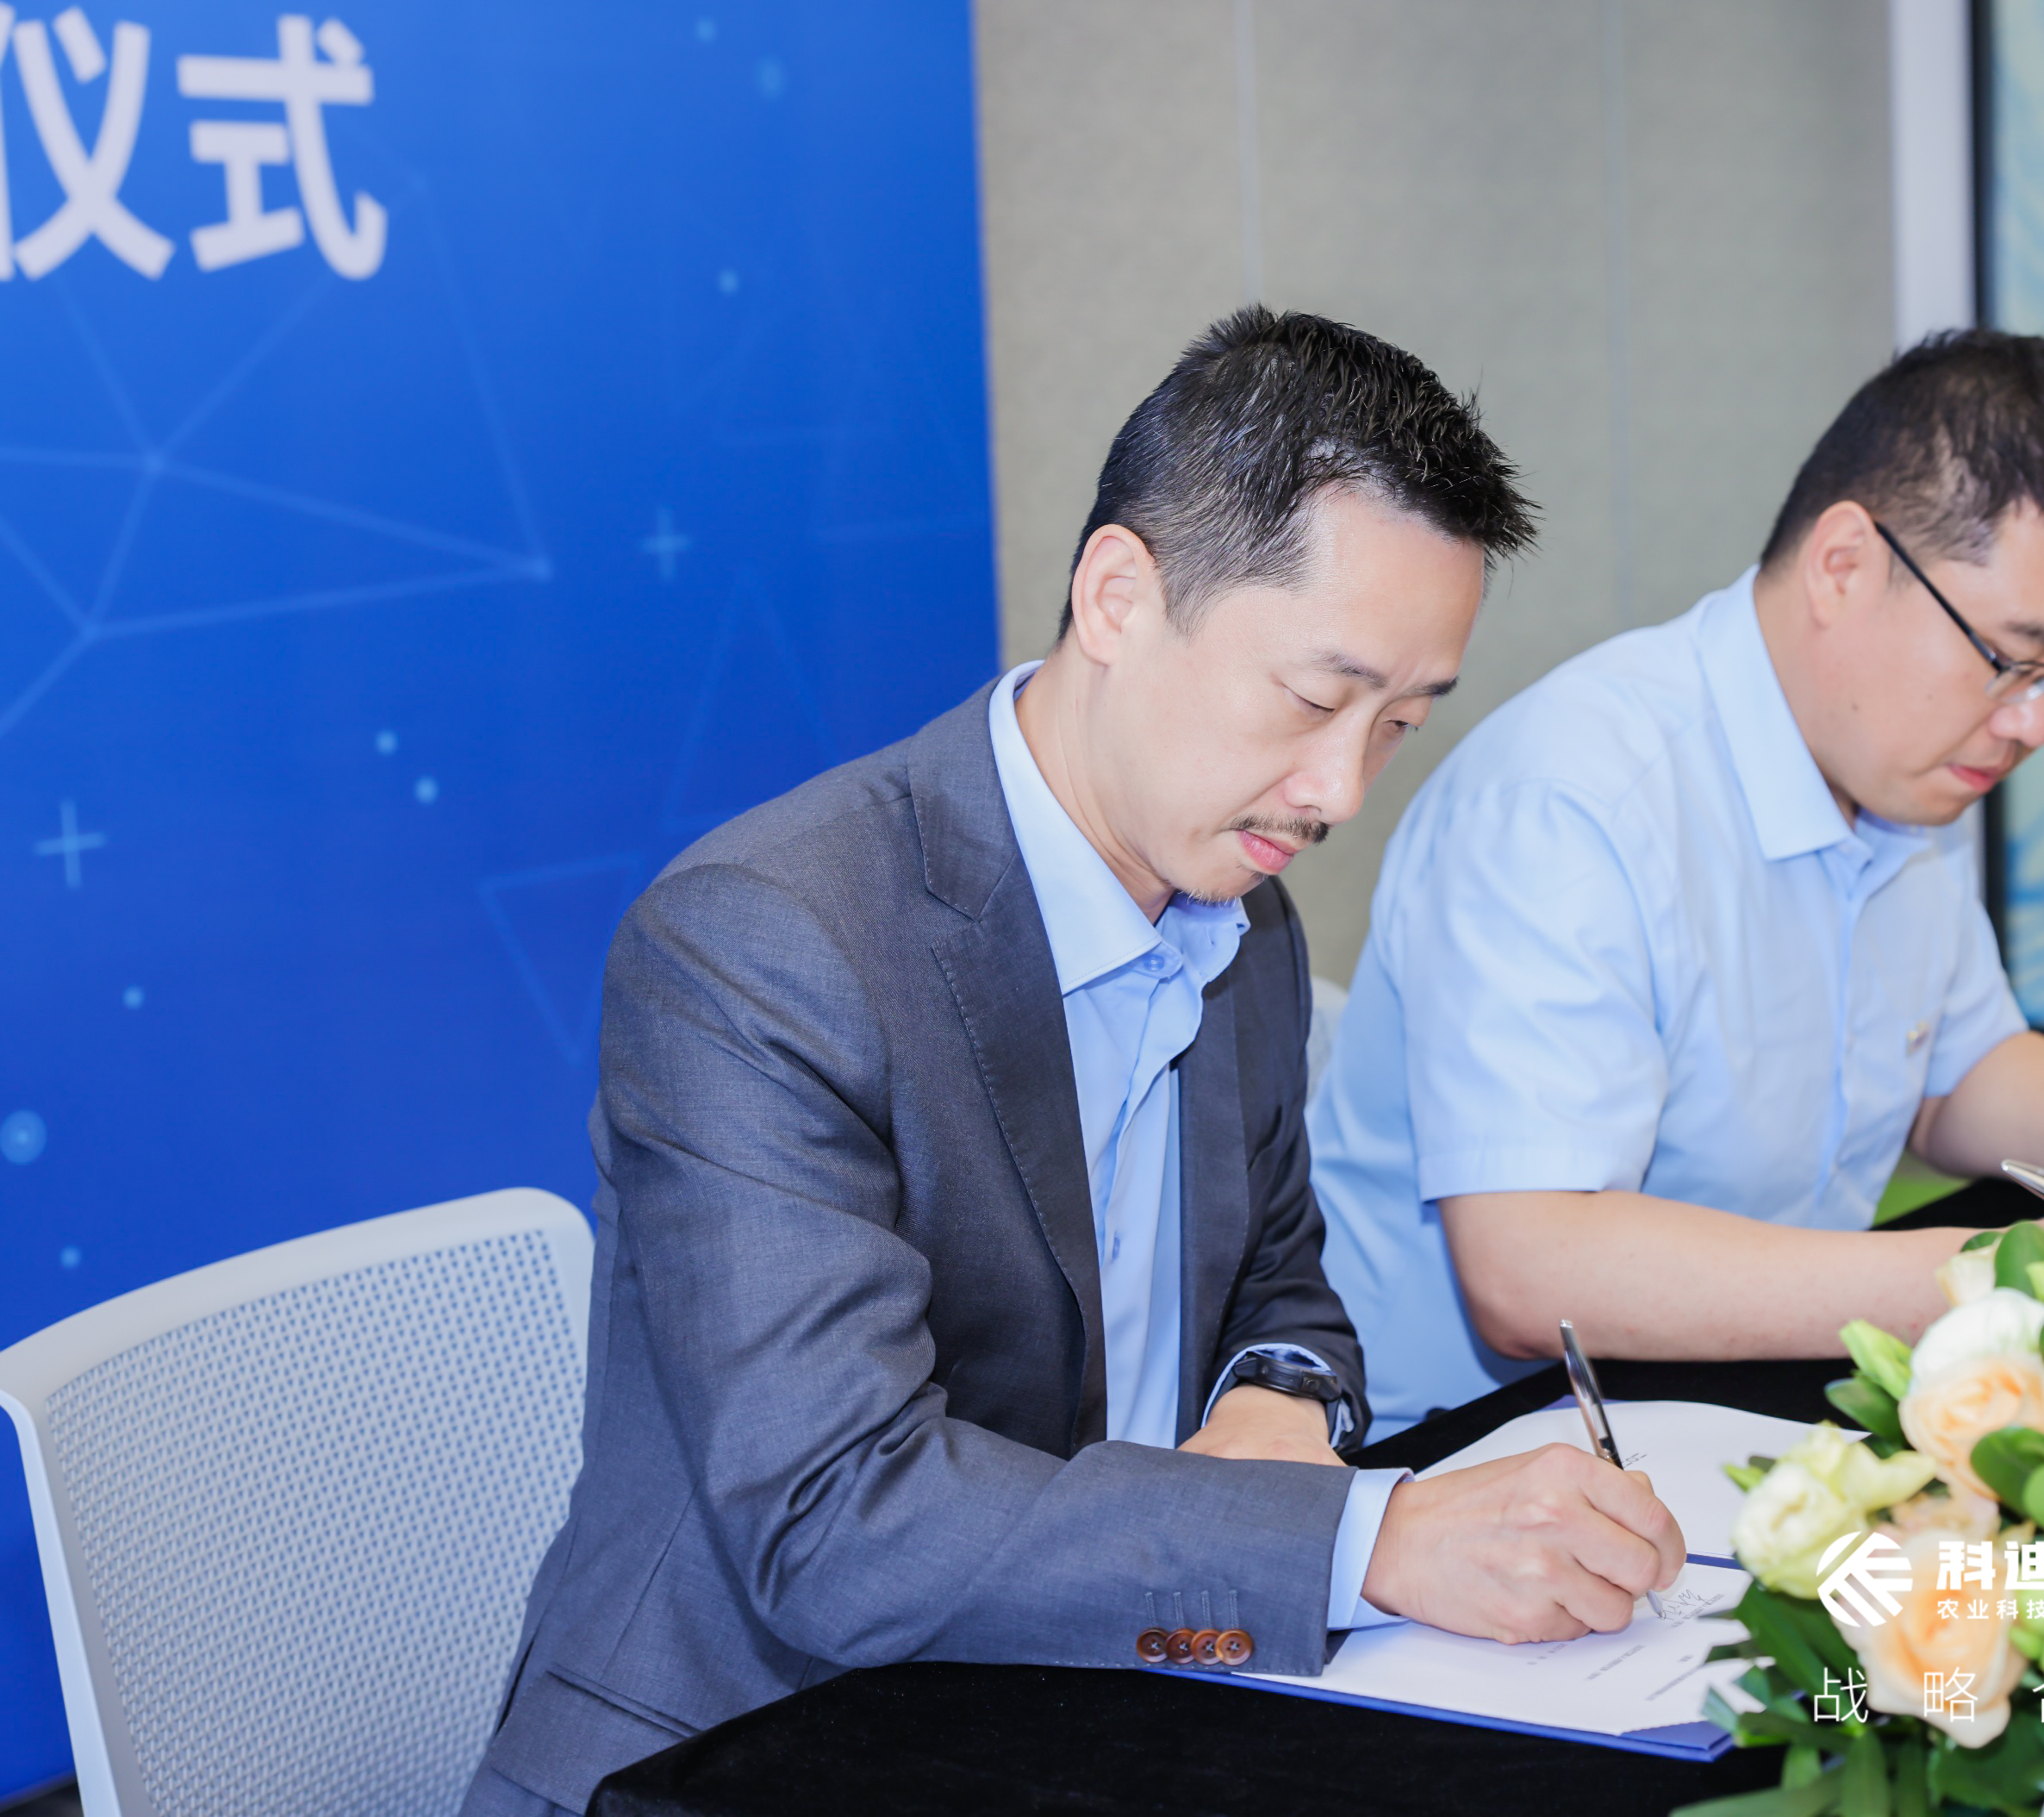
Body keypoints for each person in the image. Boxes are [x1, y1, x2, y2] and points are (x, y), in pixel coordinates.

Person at [463, 309, 1685, 1815]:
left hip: (1090, 1692)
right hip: (745, 1743)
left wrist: (1279, 1404)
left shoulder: (1240, 907)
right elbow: (838, 1519)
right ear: (1118, 595)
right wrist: (1368, 1539)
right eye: (1315, 699)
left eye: (1400, 725)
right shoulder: (767, 941)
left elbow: (1285, 1287)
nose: (1339, 790)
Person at [1309, 329, 2044, 1439]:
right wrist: (1997, 1270)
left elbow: (1951, 1070)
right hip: (1456, 1447)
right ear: (1843, 565)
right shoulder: (1571, 801)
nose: (2034, 724)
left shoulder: (1902, 776)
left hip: (1723, 1412)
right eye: (2011, 661)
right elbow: (1531, 1268)